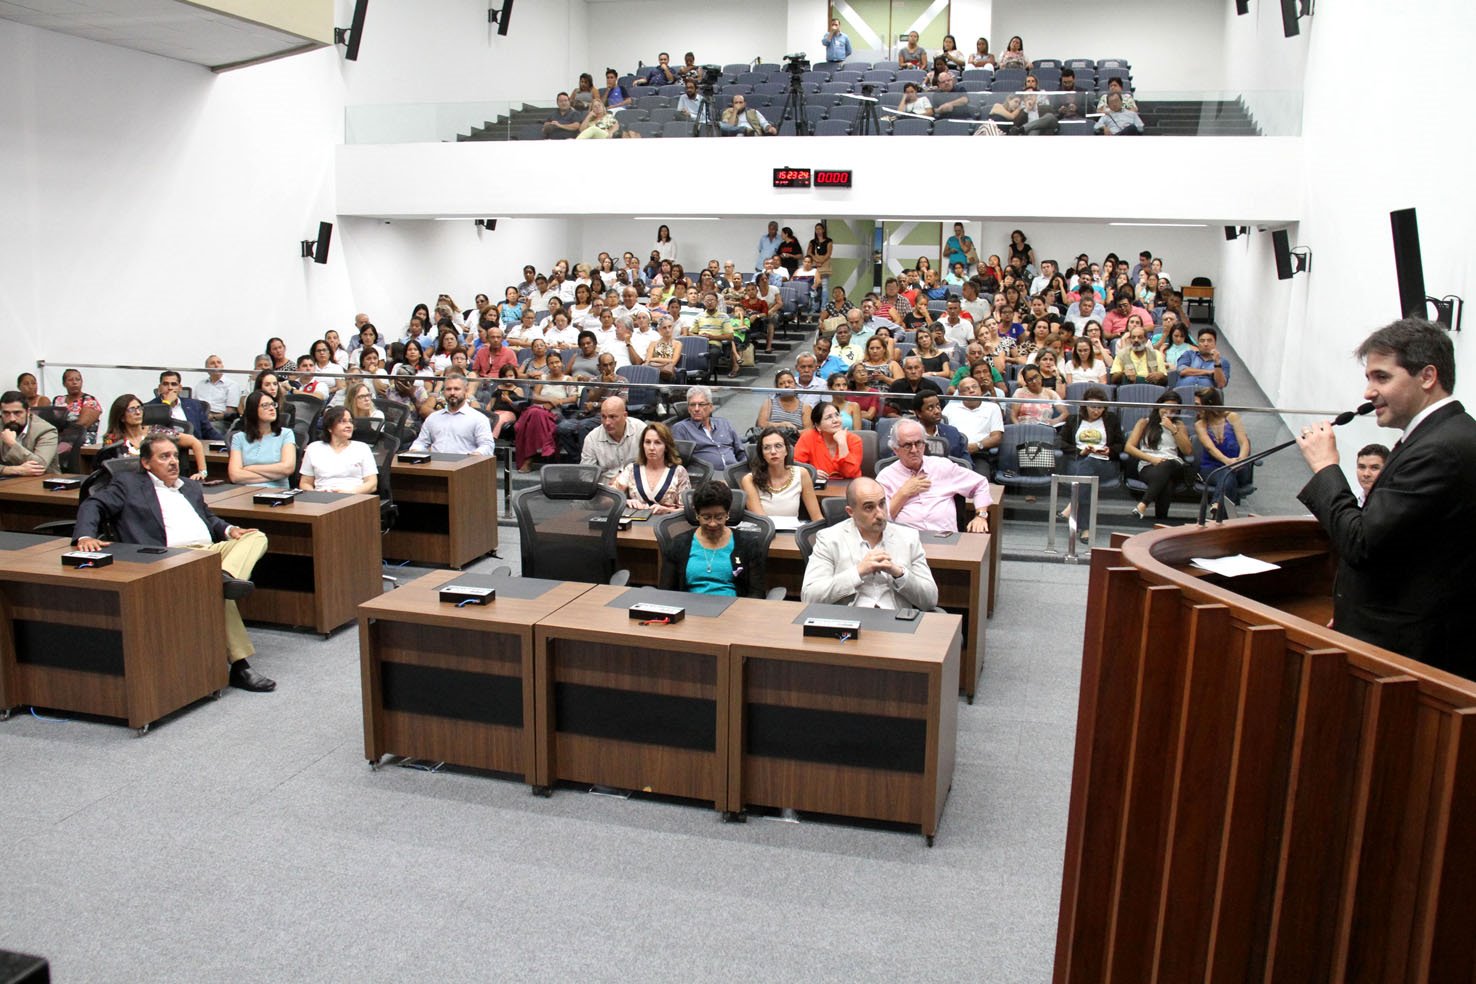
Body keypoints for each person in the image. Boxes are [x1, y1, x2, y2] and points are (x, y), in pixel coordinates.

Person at [1293, 320, 1476, 675]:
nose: (1368, 392)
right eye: (1368, 378)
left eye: (1382, 377)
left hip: (1410, 655)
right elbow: (1406, 546)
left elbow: (1361, 543)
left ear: (1427, 376)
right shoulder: (1443, 435)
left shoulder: (1439, 449)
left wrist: (1326, 468)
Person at [74, 434, 274, 692]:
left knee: (256, 536)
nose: (173, 462)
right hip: (172, 557)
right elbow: (94, 504)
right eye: (164, 457)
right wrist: (85, 535)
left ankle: (224, 576)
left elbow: (209, 519)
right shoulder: (129, 484)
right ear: (146, 463)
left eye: (175, 456)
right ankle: (240, 665)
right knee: (214, 590)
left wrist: (229, 530)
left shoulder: (189, 486)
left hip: (209, 553)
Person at [801, 477, 938, 611]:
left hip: (895, 620)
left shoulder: (908, 537)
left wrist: (900, 574)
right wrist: (857, 572)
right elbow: (809, 597)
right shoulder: (829, 539)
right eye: (869, 508)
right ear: (851, 512)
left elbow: (930, 600)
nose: (880, 515)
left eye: (882, 504)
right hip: (849, 620)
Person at [876, 419, 991, 534]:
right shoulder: (886, 477)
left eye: (918, 443)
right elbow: (880, 520)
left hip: (945, 538)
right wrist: (903, 493)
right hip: (906, 540)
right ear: (895, 449)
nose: (914, 450)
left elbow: (980, 484)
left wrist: (981, 516)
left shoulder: (942, 467)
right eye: (907, 445)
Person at [657, 481, 769, 598]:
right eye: (706, 517)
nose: (713, 523)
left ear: (727, 514)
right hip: (689, 605)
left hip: (734, 606)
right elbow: (666, 592)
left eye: (719, 517)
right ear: (697, 514)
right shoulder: (678, 544)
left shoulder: (748, 544)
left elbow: (757, 593)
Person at [1056, 388, 1124, 541]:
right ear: (1085, 405)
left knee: (1088, 467)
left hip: (1104, 464)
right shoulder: (1073, 420)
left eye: (1100, 407)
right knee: (1086, 480)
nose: (1096, 411)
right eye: (1093, 407)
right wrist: (1080, 451)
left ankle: (1072, 505)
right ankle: (1085, 529)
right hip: (1078, 461)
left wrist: (1109, 450)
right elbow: (1060, 442)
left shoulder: (1111, 420)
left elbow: (1120, 444)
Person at [1125, 391, 1193, 520]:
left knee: (1167, 464)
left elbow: (1188, 451)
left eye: (1173, 410)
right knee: (1166, 484)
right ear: (1159, 406)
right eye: (1166, 407)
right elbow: (1129, 447)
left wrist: (1173, 429)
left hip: (1174, 464)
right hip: (1149, 465)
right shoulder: (1144, 422)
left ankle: (1143, 504)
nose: (1168, 412)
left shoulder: (1179, 425)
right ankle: (1161, 520)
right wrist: (1152, 459)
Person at [1194, 387, 1252, 518]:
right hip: (1212, 468)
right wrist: (1228, 462)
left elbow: (1244, 442)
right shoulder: (1200, 424)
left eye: (1197, 404)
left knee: (1228, 473)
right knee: (1228, 476)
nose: (1194, 408)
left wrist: (1240, 460)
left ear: (1209, 404)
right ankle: (1220, 511)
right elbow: (1210, 448)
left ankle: (1217, 506)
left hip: (1239, 465)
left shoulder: (1232, 417)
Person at [611, 421, 691, 515]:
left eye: (657, 443)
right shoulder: (631, 469)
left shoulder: (679, 472)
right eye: (647, 442)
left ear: (666, 447)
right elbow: (609, 499)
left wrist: (668, 510)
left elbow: (688, 511)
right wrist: (625, 501)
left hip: (666, 521)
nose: (651, 448)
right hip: (636, 520)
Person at [298, 406, 377, 494]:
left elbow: (372, 484)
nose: (349, 425)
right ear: (329, 428)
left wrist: (350, 492)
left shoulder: (362, 448)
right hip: (322, 497)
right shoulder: (314, 448)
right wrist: (316, 495)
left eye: (350, 421)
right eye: (342, 421)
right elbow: (305, 483)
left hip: (354, 497)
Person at [410, 373, 493, 456]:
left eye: (457, 389)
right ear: (443, 392)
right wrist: (415, 450)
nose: (452, 393)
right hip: (435, 462)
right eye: (448, 389)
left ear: (466, 391)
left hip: (466, 462)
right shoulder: (433, 418)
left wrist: (476, 455)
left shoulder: (479, 419)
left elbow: (487, 446)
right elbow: (421, 442)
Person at [228, 389, 297, 488]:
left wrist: (250, 468)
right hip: (245, 492)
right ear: (253, 410)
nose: (272, 408)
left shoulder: (286, 434)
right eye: (265, 405)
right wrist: (277, 475)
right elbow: (235, 476)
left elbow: (287, 468)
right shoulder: (238, 438)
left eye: (273, 404)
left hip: (277, 491)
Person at [580, 396, 642, 485]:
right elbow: (586, 476)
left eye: (612, 417)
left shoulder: (641, 430)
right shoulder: (591, 439)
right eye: (603, 417)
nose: (607, 422)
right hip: (606, 487)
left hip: (636, 483)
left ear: (625, 416)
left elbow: (653, 465)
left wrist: (624, 477)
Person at [793, 401, 862, 480]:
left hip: (849, 484)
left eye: (837, 415)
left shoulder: (854, 440)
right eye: (829, 417)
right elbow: (795, 465)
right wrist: (811, 472)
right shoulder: (808, 437)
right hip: (818, 485)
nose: (835, 420)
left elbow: (849, 473)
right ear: (818, 426)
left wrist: (842, 443)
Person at [147, 370, 222, 441]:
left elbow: (209, 432)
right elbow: (156, 430)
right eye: (165, 384)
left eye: (174, 384)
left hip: (194, 446)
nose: (170, 388)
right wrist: (167, 403)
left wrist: (224, 443)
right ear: (159, 388)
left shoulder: (194, 405)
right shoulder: (149, 407)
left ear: (180, 388)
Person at [0, 390, 59, 476]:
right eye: (6, 413)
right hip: (7, 479)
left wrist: (12, 443)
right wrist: (9, 470)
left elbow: (40, 466)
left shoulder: (46, 430)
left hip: (42, 480)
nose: (12, 419)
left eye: (17, 413)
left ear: (28, 412)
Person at [913, 391, 968, 459]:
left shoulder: (952, 432)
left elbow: (966, 462)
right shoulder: (909, 435)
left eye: (938, 406)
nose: (937, 411)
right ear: (918, 413)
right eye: (930, 408)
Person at [755, 369, 808, 436]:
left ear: (795, 385)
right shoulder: (769, 403)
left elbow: (809, 430)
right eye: (781, 383)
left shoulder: (805, 407)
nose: (786, 385)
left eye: (790, 382)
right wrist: (782, 425)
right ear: (777, 388)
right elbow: (761, 424)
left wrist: (792, 432)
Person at [1177, 326, 1231, 390]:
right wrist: (1209, 372)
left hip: (1207, 394)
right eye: (1202, 341)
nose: (1205, 344)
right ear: (1198, 343)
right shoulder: (1189, 354)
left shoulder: (1223, 362)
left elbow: (1221, 384)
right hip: (1183, 391)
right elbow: (1182, 371)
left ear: (1215, 343)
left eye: (1209, 341)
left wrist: (1217, 364)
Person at [196, 355, 242, 424]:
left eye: (219, 362)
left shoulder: (232, 385)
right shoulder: (200, 384)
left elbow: (230, 412)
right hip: (200, 417)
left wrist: (212, 417)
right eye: (212, 363)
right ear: (206, 368)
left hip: (220, 420)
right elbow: (193, 405)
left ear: (222, 366)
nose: (216, 365)